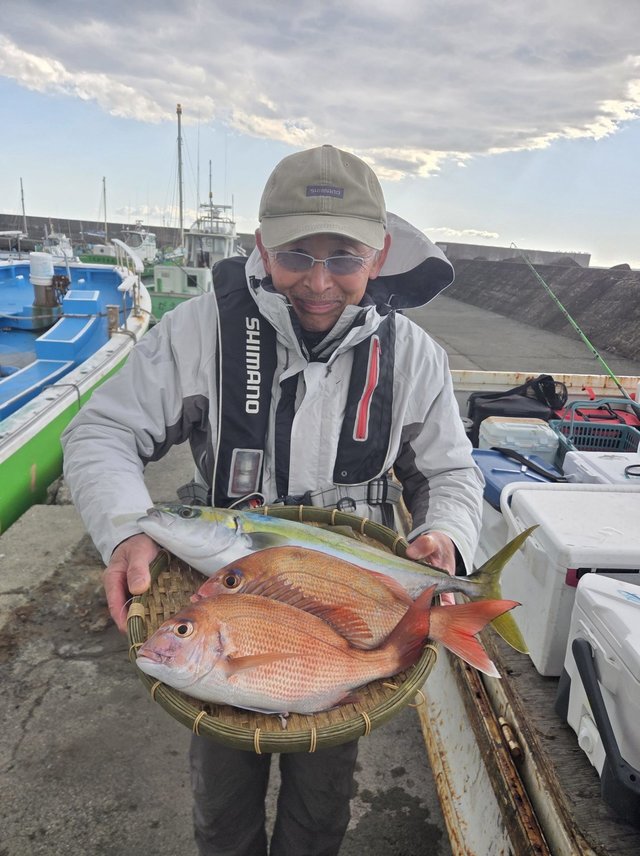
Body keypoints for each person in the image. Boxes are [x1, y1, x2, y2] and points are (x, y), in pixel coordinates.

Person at [61, 144, 484, 856]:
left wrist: (445, 533)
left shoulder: (413, 357)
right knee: (222, 810)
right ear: (261, 246)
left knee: (322, 809)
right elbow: (102, 431)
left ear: (378, 256)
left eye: (344, 258)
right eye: (297, 255)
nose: (318, 283)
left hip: (351, 615)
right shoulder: (200, 331)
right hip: (228, 613)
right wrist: (124, 533)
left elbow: (450, 472)